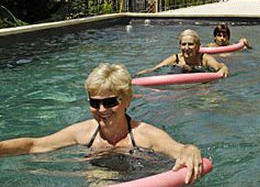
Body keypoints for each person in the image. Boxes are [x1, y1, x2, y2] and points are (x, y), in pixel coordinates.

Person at [0, 63, 203, 185]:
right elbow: (35, 145)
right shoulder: (83, 132)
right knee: (98, 175)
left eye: (109, 102)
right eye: (94, 103)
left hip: (141, 177)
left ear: (126, 100)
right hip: (99, 179)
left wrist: (191, 149)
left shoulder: (145, 135)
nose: (102, 110)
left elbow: (179, 149)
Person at [137, 29, 229, 77]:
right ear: (179, 46)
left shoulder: (204, 59)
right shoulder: (176, 58)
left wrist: (224, 68)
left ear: (198, 46)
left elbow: (218, 65)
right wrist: (139, 75)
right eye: (183, 44)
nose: (186, 48)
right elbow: (156, 69)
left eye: (191, 44)